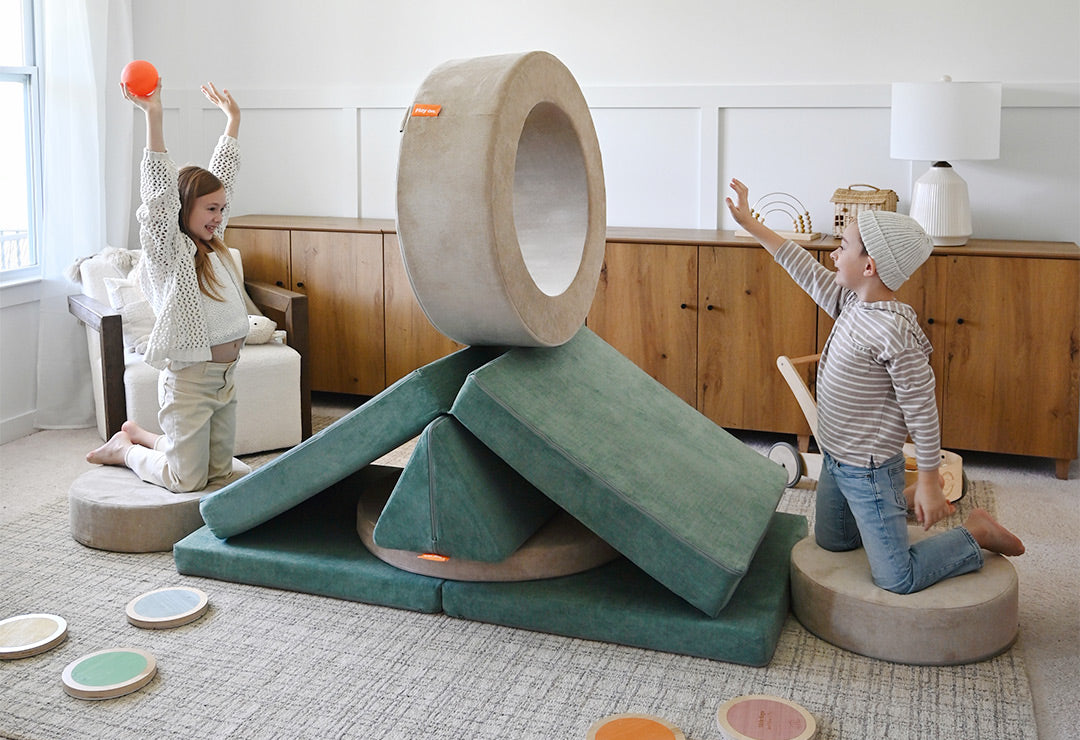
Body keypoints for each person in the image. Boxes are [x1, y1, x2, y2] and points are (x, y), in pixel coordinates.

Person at [726, 178, 1024, 594]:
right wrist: (751, 224)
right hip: (835, 459)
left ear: (870, 266)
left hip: (868, 470)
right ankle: (890, 505)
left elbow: (922, 409)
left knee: (897, 578)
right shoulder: (849, 301)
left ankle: (975, 534)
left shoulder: (894, 331)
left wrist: (930, 480)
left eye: (843, 245)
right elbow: (799, 265)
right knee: (834, 542)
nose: (833, 251)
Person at [86, 79, 256, 493]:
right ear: (184, 209)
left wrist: (233, 120)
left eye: (221, 208)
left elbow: (224, 179)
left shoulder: (212, 242)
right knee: (187, 480)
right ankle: (125, 450)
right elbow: (159, 198)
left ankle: (144, 436)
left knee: (220, 473)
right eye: (211, 209)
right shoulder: (170, 253)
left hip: (225, 377)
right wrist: (153, 115)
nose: (219, 216)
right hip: (191, 381)